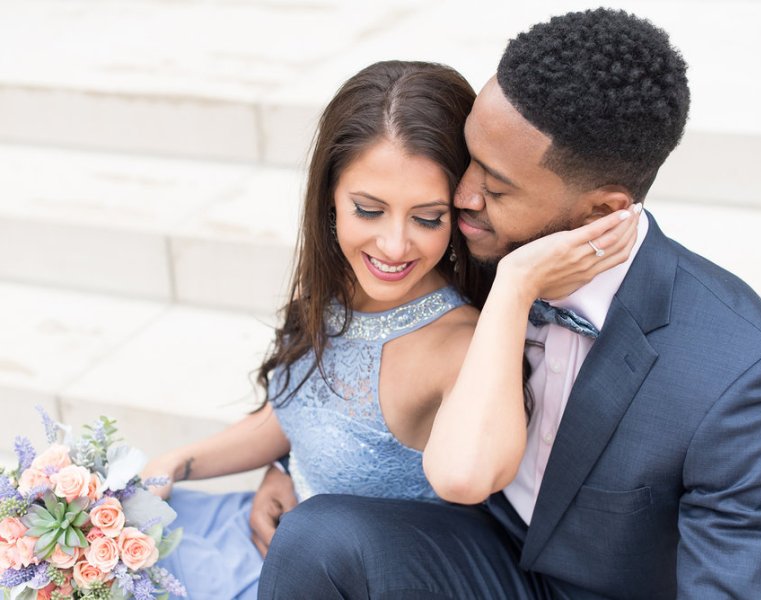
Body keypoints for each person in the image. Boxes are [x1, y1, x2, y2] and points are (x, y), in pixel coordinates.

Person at [256, 9, 761, 599]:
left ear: (599, 212)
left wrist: (515, 285)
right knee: (315, 539)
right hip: (482, 547)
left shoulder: (744, 379)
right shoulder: (473, 243)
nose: (461, 197)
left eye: (495, 187)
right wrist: (292, 464)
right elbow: (360, 357)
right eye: (470, 159)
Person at [141, 60, 637, 599]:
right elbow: (290, 416)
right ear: (330, 198)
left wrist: (513, 290)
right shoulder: (331, 291)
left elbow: (470, 479)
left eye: (427, 218)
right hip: (267, 538)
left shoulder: (463, 345)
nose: (395, 247)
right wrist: (181, 463)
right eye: (369, 210)